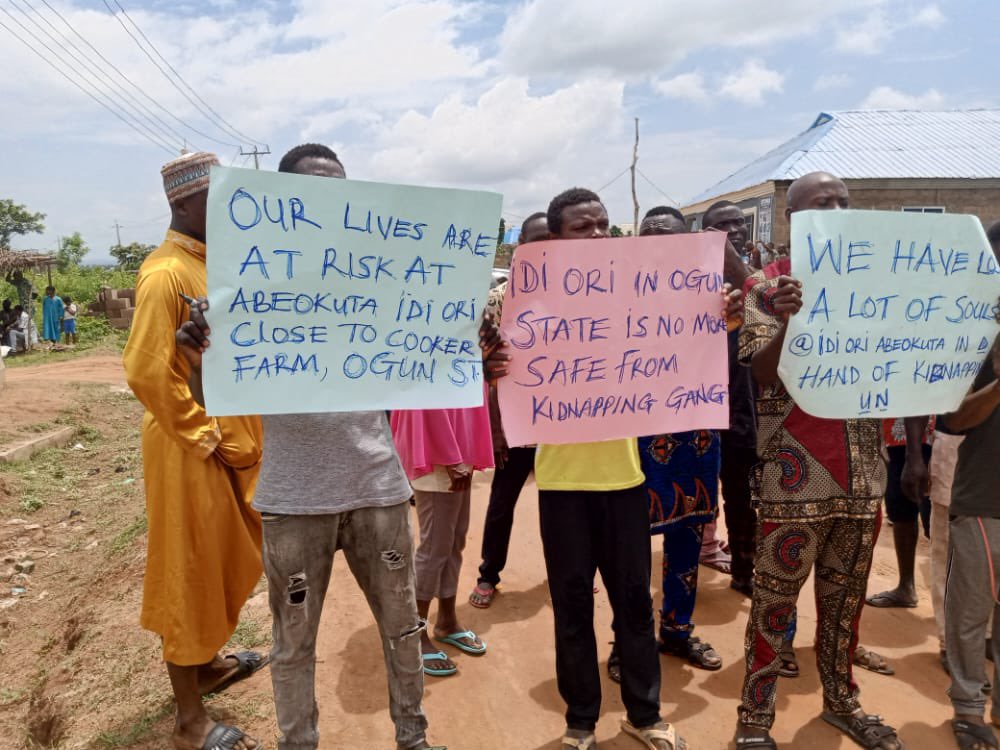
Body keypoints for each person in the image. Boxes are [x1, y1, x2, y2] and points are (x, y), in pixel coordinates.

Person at [177, 143, 448, 750]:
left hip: (378, 487)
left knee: (403, 627)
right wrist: (199, 357)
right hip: (294, 497)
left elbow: (433, 359)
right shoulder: (244, 287)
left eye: (338, 190)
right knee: (293, 642)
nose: (327, 201)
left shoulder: (382, 275)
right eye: (310, 191)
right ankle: (298, 743)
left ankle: (414, 737)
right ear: (283, 202)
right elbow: (212, 392)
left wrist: (465, 341)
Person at [485, 187, 738, 750]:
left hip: (626, 481)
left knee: (632, 607)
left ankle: (644, 717)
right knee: (572, 606)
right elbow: (485, 356)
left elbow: (693, 333)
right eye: (582, 227)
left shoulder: (636, 296)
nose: (597, 235)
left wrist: (721, 314)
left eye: (603, 224)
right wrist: (491, 360)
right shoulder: (524, 306)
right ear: (555, 238)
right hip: (561, 485)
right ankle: (580, 722)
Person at [734, 172, 903, 750]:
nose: (835, 208)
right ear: (793, 216)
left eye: (843, 201)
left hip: (864, 473)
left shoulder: (883, 283)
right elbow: (759, 373)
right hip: (793, 478)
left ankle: (842, 702)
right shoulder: (766, 286)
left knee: (845, 604)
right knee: (773, 604)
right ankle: (755, 719)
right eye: (821, 202)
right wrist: (788, 318)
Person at [124, 152, 267, 750]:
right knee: (188, 573)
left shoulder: (216, 266)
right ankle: (189, 721)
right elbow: (148, 371)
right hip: (191, 451)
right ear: (185, 204)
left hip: (229, 447)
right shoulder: (165, 275)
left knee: (222, 564)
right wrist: (205, 436)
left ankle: (208, 666)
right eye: (219, 198)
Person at [634, 206, 724, 671]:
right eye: (650, 234)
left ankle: (676, 631)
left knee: (687, 537)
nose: (660, 241)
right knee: (627, 548)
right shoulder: (614, 292)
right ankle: (625, 642)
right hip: (635, 436)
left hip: (695, 434)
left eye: (670, 234)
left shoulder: (713, 295)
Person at [469, 211, 549, 609]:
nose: (541, 249)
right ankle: (488, 574)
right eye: (533, 241)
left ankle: (570, 572)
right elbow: (490, 369)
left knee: (562, 508)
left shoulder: (580, 297)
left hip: (559, 427)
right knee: (502, 503)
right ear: (520, 250)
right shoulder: (500, 300)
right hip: (517, 426)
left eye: (549, 240)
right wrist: (496, 429)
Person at [392, 399, 493, 677]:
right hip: (437, 451)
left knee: (454, 541)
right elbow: (426, 392)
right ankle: (415, 632)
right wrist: (450, 456)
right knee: (435, 546)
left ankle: (447, 621)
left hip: (460, 446)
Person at [942, 330, 1000, 750]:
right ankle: (968, 709)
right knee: (970, 614)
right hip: (984, 500)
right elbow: (954, 419)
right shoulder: (981, 344)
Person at [701, 200, 759, 595]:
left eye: (739, 223)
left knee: (742, 495)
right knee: (697, 497)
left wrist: (732, 260)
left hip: (741, 409)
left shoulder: (757, 280)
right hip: (696, 409)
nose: (735, 229)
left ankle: (743, 570)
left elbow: (762, 307)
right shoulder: (685, 282)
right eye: (724, 225)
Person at [865, 417, 933, 609]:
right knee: (899, 508)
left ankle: (950, 596)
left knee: (935, 517)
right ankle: (906, 586)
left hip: (936, 434)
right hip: (894, 435)